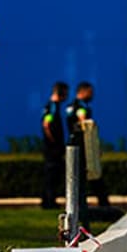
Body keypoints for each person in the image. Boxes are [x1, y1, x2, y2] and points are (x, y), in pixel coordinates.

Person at [65, 81, 110, 208]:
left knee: (77, 176)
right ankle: (103, 203)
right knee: (93, 173)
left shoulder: (70, 106)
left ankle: (78, 203)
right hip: (84, 145)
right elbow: (83, 121)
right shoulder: (81, 106)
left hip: (74, 145)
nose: (92, 95)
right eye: (90, 92)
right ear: (83, 92)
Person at [41, 81, 68, 209]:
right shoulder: (52, 107)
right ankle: (49, 201)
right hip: (52, 149)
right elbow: (46, 125)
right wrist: (54, 142)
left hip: (52, 148)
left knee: (51, 175)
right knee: (52, 175)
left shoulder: (52, 107)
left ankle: (47, 200)